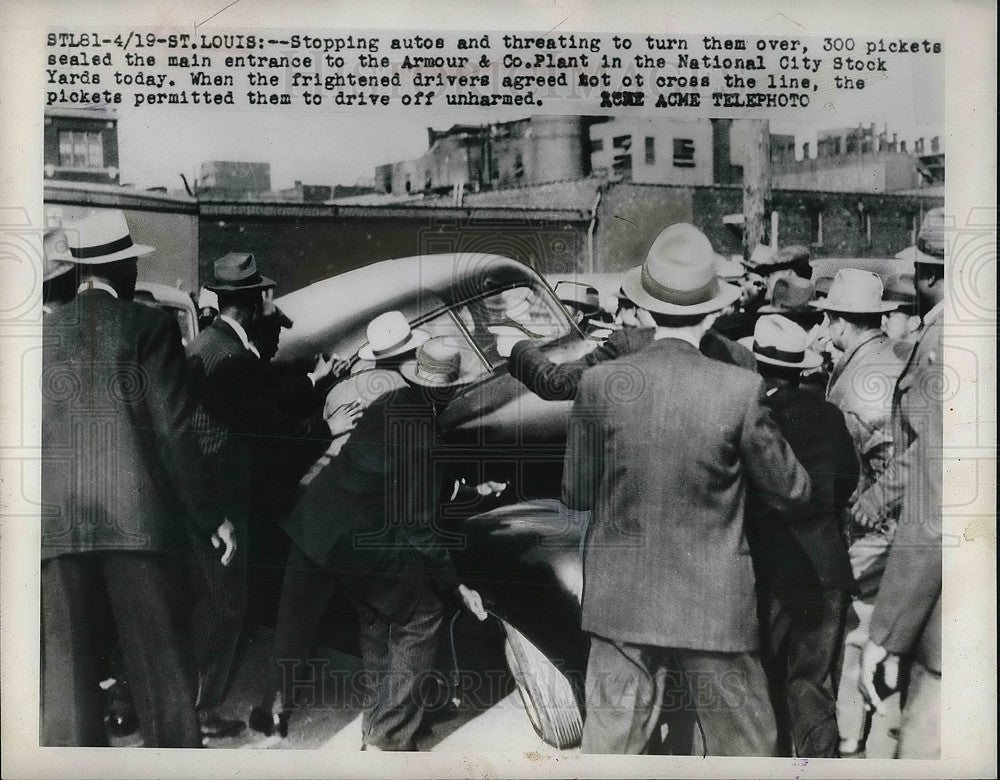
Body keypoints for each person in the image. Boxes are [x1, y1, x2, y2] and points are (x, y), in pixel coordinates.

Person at [562, 223, 812, 756]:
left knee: (607, 750)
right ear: (714, 311)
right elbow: (793, 492)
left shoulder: (598, 384)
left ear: (643, 309)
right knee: (745, 751)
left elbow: (577, 494)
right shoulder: (742, 388)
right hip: (713, 604)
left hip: (620, 599)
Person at [250, 331, 501, 749]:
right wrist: (456, 583)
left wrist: (463, 488)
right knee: (422, 616)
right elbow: (420, 527)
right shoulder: (425, 436)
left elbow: (387, 473)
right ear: (450, 388)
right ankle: (387, 737)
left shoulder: (388, 403)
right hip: (357, 540)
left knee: (372, 613)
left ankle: (372, 718)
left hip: (317, 521)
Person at [41, 210, 228, 747]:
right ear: (121, 269)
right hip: (134, 518)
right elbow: (173, 432)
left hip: (55, 523)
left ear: (79, 272)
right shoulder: (148, 325)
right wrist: (209, 516)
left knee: (68, 684)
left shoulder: (40, 332)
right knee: (159, 672)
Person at [184, 252, 355, 739]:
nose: (271, 302)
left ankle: (186, 700)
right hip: (221, 494)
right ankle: (199, 709)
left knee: (203, 601)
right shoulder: (234, 361)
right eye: (266, 294)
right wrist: (327, 425)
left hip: (199, 489)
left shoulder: (207, 344)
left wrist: (314, 379)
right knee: (225, 606)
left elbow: (260, 396)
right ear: (255, 301)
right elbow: (268, 430)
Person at [739, 315, 859, 757]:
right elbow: (847, 478)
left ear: (755, 365)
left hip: (773, 570)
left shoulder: (755, 418)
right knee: (813, 686)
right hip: (827, 565)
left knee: (766, 684)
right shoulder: (827, 413)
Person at [859, 208, 946, 758]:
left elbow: (938, 499)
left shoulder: (949, 341)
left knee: (924, 747)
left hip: (949, 607)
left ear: (930, 275)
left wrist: (887, 632)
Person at [809, 268, 906, 756]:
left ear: (842, 322)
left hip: (873, 539)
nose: (824, 333)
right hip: (880, 534)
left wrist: (871, 526)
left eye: (827, 320)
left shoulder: (863, 384)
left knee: (855, 645)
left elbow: (890, 469)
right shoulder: (885, 359)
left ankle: (853, 748)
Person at [508, 286, 755, 402]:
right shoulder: (741, 356)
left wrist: (518, 346)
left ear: (646, 308)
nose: (622, 320)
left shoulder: (628, 345)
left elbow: (555, 383)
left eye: (627, 308)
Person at [714, 244, 813, 341]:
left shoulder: (764, 320)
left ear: (789, 274)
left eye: (770, 275)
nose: (765, 280)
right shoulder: (810, 316)